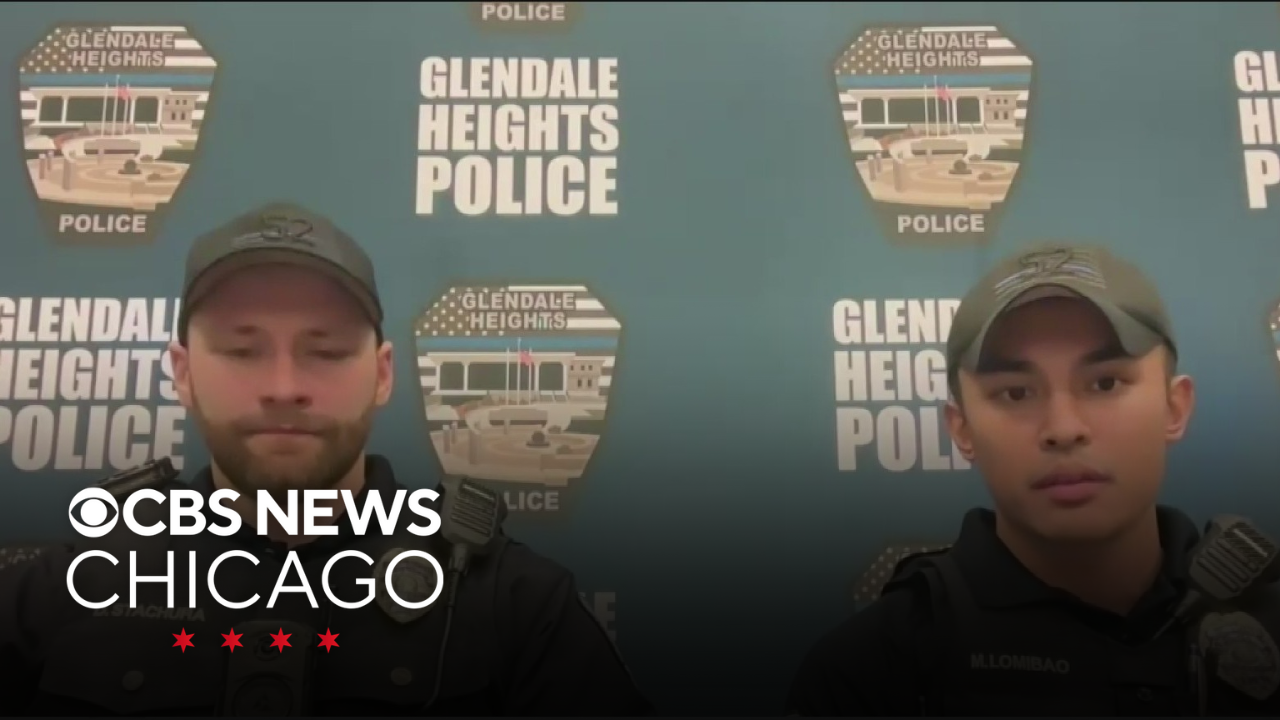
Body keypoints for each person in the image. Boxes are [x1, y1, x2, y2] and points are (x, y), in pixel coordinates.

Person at [0, 202, 653, 717]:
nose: (284, 387)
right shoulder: (65, 593)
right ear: (183, 373)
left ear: (382, 374)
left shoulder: (508, 601)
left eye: (327, 351)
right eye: (242, 350)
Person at [786, 245, 1280, 716]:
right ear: (962, 429)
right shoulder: (870, 670)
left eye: (1105, 383)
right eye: (1016, 393)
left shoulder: (1267, 623)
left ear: (1174, 408)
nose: (1063, 428)